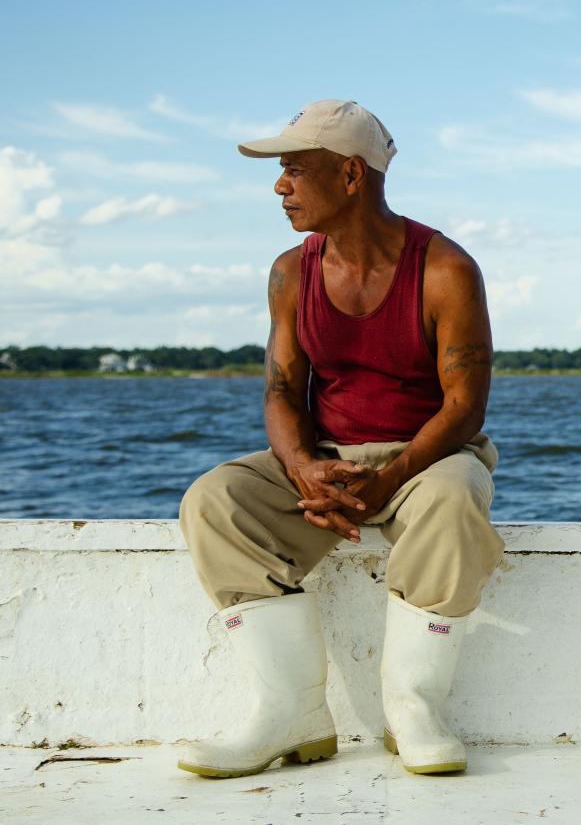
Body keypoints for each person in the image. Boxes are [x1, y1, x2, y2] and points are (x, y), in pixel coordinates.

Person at [175, 100, 502, 779]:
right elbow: (280, 391)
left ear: (351, 175)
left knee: (454, 499)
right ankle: (290, 713)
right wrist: (301, 467)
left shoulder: (445, 268)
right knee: (215, 500)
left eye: (294, 168)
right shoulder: (291, 271)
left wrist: (385, 480)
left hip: (425, 459)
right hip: (324, 460)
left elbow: (465, 407)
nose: (279, 186)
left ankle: (412, 709)